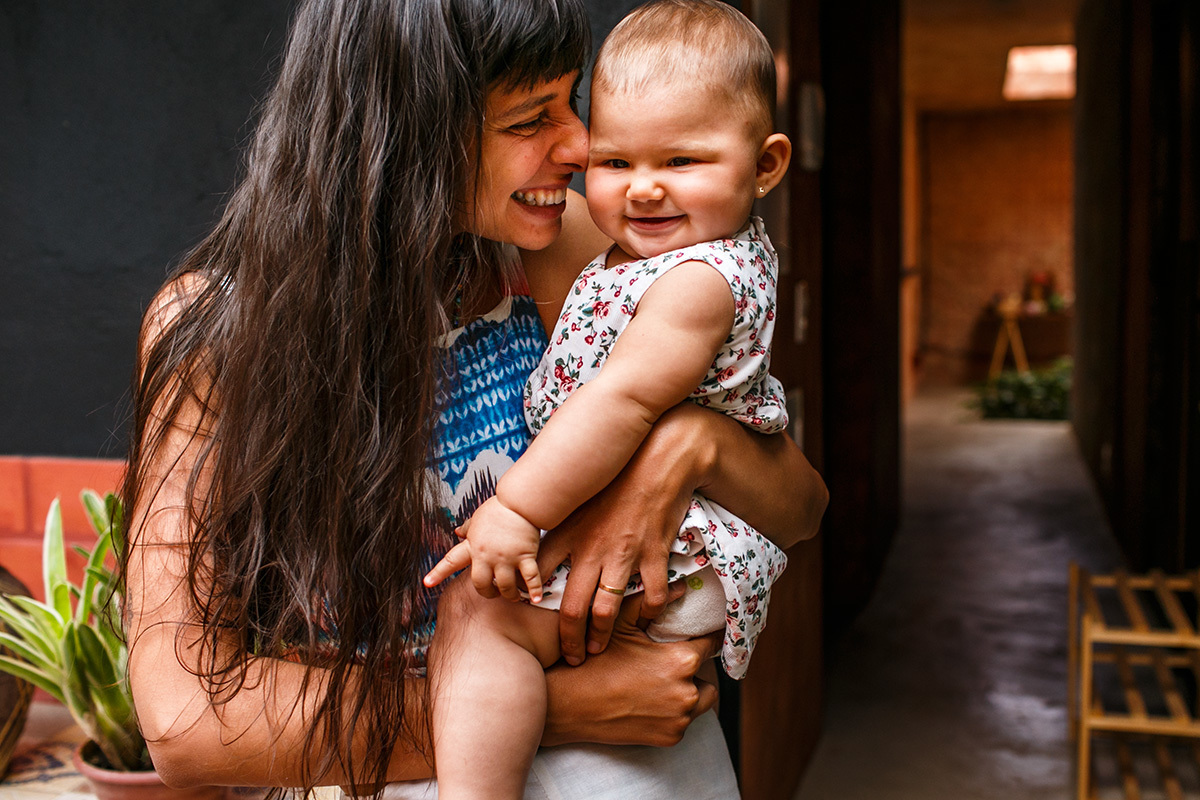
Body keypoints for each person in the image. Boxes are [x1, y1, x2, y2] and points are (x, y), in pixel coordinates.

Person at [120, 0, 828, 798]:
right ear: (409, 129)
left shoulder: (573, 249)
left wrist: (687, 446)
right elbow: (186, 722)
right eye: (530, 118)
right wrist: (562, 708)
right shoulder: (216, 334)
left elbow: (801, 507)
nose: (582, 147)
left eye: (571, 101)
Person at [421, 3, 806, 798]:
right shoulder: (643, 252)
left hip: (677, 551)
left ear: (766, 165)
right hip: (661, 569)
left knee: (478, 617)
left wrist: (515, 510)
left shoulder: (694, 277)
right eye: (617, 159)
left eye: (682, 160)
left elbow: (625, 401)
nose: (643, 187)